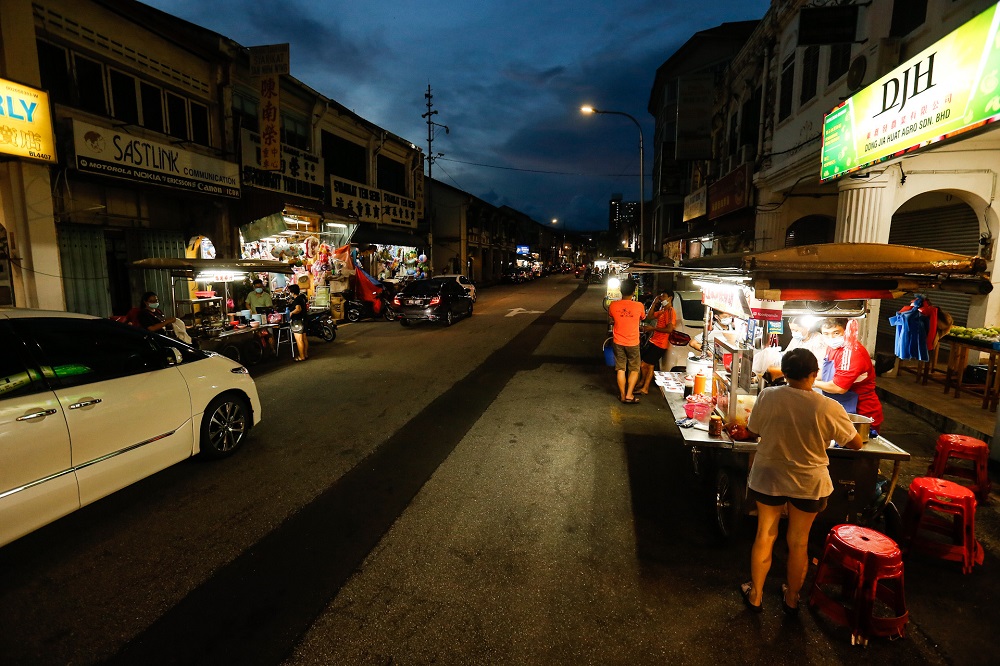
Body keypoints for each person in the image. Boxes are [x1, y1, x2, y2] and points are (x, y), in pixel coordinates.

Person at [740, 348, 863, 614]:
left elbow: (753, 430)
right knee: (798, 541)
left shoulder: (768, 396)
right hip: (808, 482)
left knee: (765, 534)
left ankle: (756, 595)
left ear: (784, 372)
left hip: (769, 476)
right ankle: (792, 598)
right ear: (814, 374)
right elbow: (856, 443)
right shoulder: (827, 406)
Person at [813, 317, 884, 432]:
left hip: (859, 414)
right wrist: (802, 376)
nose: (831, 338)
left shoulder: (851, 352)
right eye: (826, 334)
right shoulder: (832, 348)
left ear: (846, 331)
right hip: (841, 408)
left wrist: (811, 382)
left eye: (836, 333)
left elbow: (839, 387)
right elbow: (825, 373)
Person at [753, 316, 828, 381]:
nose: (793, 333)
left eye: (796, 330)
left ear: (807, 327)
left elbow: (820, 369)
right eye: (791, 330)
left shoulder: (818, 341)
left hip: (810, 382)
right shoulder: (796, 340)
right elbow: (787, 355)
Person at [608, 278, 646, 404]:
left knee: (621, 369)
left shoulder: (613, 305)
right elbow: (643, 317)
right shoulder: (639, 306)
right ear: (634, 291)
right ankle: (630, 395)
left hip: (618, 341)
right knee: (634, 369)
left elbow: (611, 319)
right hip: (633, 342)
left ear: (620, 290)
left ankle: (623, 395)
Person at [636, 289, 676, 395]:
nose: (661, 298)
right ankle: (642, 384)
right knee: (645, 365)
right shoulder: (663, 311)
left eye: (663, 296)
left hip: (660, 344)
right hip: (654, 341)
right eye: (661, 296)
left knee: (647, 365)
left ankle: (644, 387)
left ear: (670, 298)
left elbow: (669, 329)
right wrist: (654, 302)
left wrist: (652, 329)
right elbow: (649, 316)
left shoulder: (670, 311)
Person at [287, 283, 309, 361]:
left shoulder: (297, 300)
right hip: (303, 320)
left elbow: (298, 309)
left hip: (297, 321)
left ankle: (301, 356)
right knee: (304, 339)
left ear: (292, 292)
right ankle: (305, 354)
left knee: (299, 340)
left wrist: (291, 313)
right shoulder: (301, 298)